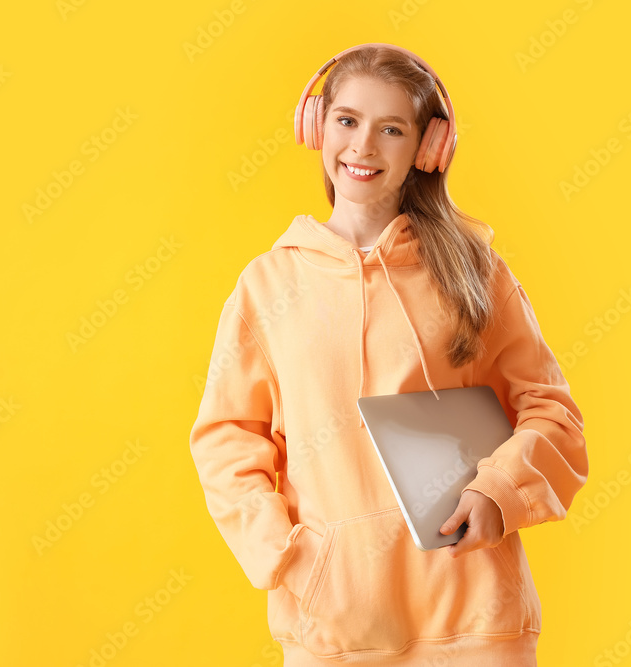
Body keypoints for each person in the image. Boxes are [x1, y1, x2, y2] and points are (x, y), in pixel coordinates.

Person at [189, 42, 588, 666]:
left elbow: (553, 413)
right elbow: (227, 438)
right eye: (347, 120)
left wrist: (500, 493)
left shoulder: (475, 272)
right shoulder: (267, 286)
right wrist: (289, 558)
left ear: (428, 149)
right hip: (336, 626)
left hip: (477, 617)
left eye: (392, 129)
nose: (363, 146)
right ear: (317, 126)